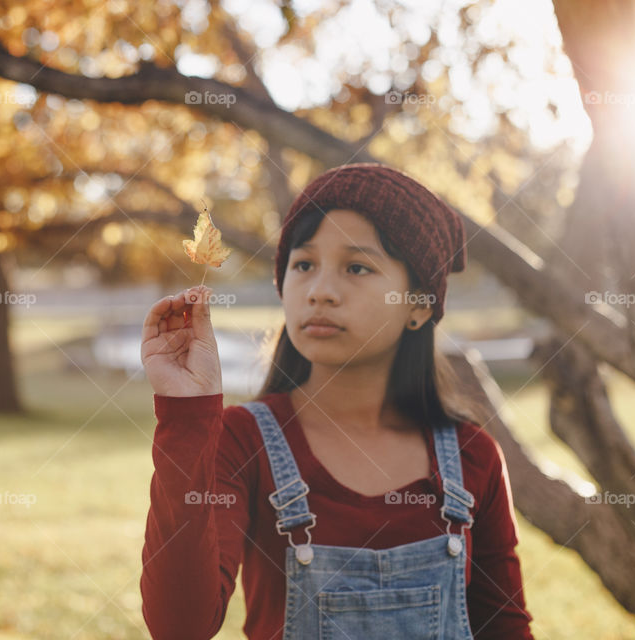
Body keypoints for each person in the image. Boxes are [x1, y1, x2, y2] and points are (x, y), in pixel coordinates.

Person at [139, 163, 535, 639]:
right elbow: (179, 625)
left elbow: (506, 629)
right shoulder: (242, 440)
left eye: (357, 267)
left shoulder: (474, 457)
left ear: (419, 305)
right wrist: (187, 413)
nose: (321, 292)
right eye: (303, 264)